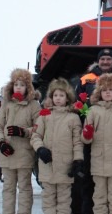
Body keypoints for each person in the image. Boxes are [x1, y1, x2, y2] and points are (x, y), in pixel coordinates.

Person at [75, 48, 112, 214]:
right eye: (103, 59)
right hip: (96, 153)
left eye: (109, 59)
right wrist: (86, 132)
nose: (106, 62)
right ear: (98, 61)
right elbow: (79, 105)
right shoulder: (86, 80)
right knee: (96, 193)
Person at [31, 78, 84, 214]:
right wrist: (40, 148)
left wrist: (78, 160)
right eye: (55, 95)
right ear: (51, 97)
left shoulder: (73, 118)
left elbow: (77, 142)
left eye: (61, 95)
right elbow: (36, 136)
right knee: (48, 200)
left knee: (64, 202)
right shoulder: (45, 115)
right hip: (47, 166)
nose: (58, 98)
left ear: (67, 98)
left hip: (65, 167)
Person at [0, 68, 41, 214]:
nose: (18, 87)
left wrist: (24, 131)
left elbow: (39, 127)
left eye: (22, 84)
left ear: (27, 87)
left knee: (25, 188)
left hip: (24, 153)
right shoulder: (6, 104)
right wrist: (1, 142)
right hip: (7, 152)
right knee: (8, 188)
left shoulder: (34, 105)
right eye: (16, 84)